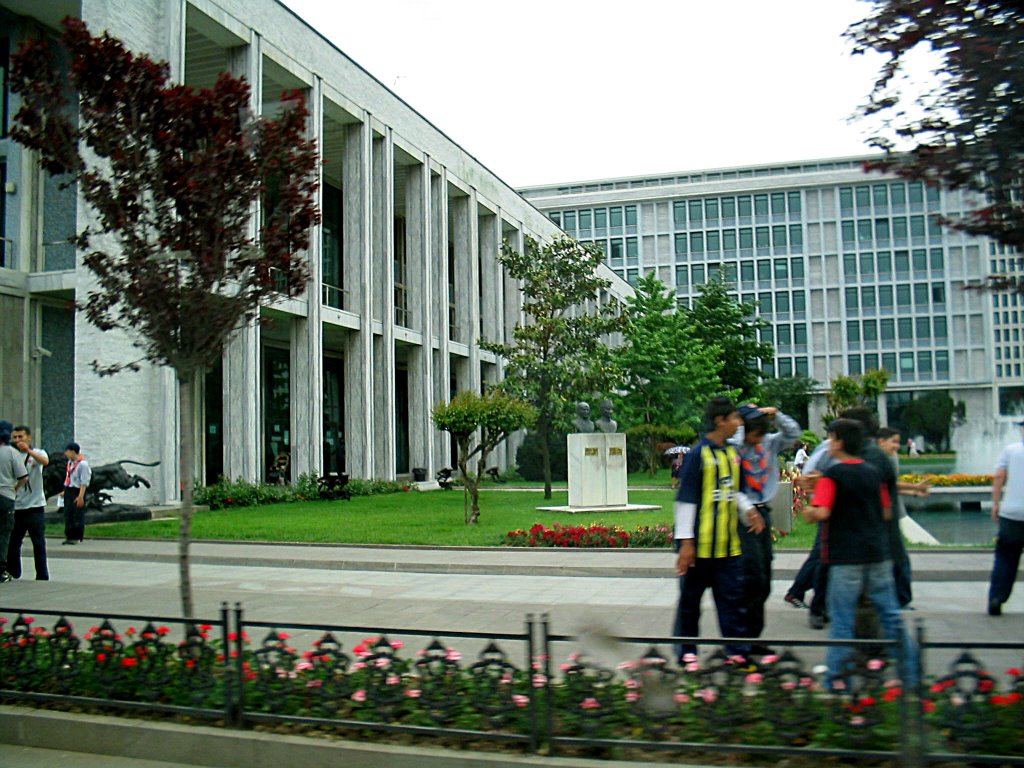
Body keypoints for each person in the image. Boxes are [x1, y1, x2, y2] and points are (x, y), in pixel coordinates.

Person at [803, 418, 916, 686]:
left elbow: (821, 512)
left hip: (846, 558)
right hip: (878, 555)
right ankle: (911, 673)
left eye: (831, 438)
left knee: (842, 621)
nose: (829, 444)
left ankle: (836, 679)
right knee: (891, 615)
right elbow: (886, 511)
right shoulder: (873, 472)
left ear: (840, 442)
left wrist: (809, 507)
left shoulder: (833, 475)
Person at [672, 396, 764, 659]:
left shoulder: (732, 454)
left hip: (728, 548)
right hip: (698, 549)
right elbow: (686, 500)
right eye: (734, 418)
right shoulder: (697, 455)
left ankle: (737, 653)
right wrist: (686, 543)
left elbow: (735, 491)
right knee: (690, 606)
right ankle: (686, 655)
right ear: (720, 420)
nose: (739, 423)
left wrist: (749, 510)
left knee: (733, 604)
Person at [730, 404, 802, 647]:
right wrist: (740, 424)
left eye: (762, 433)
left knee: (763, 577)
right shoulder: (737, 448)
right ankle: (743, 639)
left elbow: (794, 434)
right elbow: (734, 445)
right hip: (743, 516)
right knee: (751, 578)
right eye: (754, 433)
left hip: (764, 512)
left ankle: (753, 635)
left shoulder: (770, 443)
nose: (758, 438)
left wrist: (777, 415)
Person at [987, 419, 1024, 616]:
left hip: (1012, 514)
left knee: (1005, 558)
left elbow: (999, 476)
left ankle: (996, 598)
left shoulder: (1011, 450)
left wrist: (995, 504)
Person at [8, 425, 50, 580]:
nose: (18, 440)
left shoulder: (37, 453)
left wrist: (29, 451)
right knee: (13, 542)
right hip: (16, 506)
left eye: (21, 437)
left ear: (29, 438)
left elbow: (45, 462)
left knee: (38, 543)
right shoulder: (11, 455)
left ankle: (42, 575)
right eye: (15, 437)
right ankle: (13, 571)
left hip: (35, 506)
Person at [0, 420, 29, 583]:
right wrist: (14, 489)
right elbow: (23, 477)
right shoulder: (11, 452)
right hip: (5, 496)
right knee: (4, 534)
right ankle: (1, 570)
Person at [62, 441, 91, 545]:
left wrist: (81, 496)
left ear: (73, 452)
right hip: (69, 489)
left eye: (67, 451)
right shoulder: (70, 463)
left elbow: (84, 481)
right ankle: (69, 535)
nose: (66, 454)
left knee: (77, 514)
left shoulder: (83, 464)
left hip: (78, 490)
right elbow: (68, 476)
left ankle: (77, 536)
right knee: (68, 513)